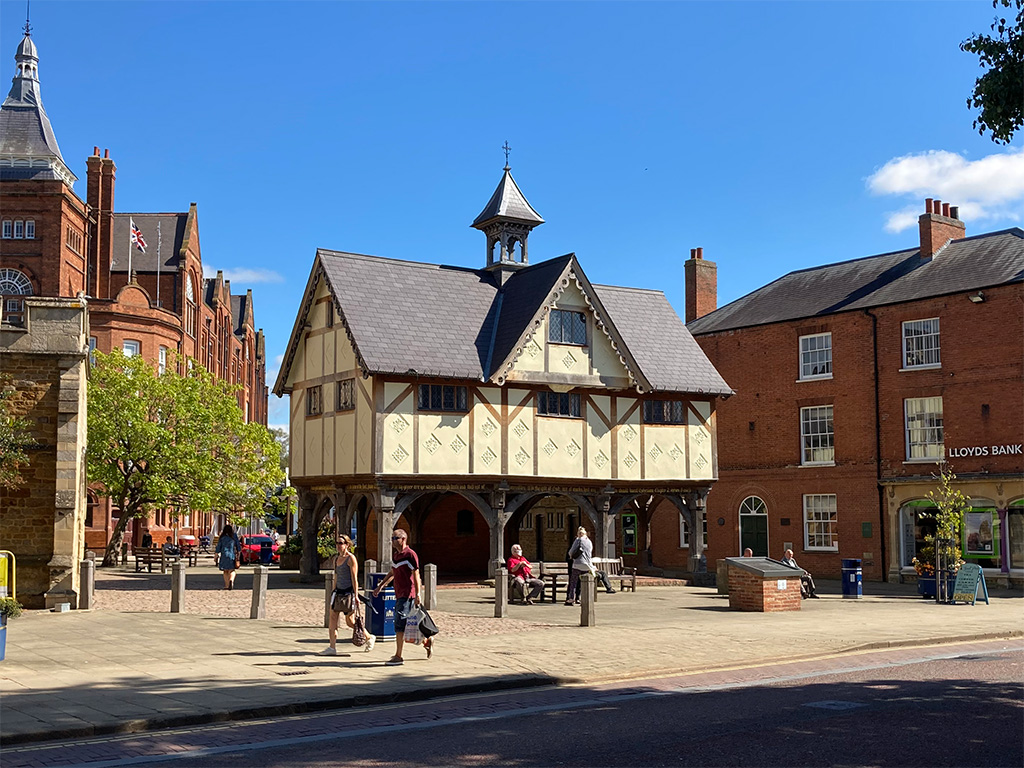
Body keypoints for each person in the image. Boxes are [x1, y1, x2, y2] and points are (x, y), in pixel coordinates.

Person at [372, 529, 432, 665]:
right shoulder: (396, 555)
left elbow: (416, 575)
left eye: (395, 538)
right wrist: (381, 585)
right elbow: (393, 571)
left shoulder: (410, 555)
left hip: (407, 593)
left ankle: (398, 656)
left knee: (399, 623)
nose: (392, 541)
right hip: (398, 592)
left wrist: (418, 593)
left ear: (403, 539)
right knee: (407, 623)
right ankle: (426, 641)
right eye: (392, 538)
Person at [321, 535, 375, 655]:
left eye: (341, 543)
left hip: (348, 593)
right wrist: (333, 591)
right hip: (338, 593)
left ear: (347, 545)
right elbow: (336, 576)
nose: (338, 545)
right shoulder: (336, 559)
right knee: (333, 618)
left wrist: (356, 595)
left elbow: (354, 579)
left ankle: (369, 637)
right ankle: (332, 647)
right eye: (337, 543)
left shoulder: (351, 559)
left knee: (350, 621)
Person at [565, 528, 616, 605]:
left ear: (579, 534)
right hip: (587, 565)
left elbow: (571, 552)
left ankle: (571, 599)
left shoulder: (578, 540)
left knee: (573, 582)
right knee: (585, 581)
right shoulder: (589, 542)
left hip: (578, 564)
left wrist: (571, 556)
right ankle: (584, 599)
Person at [216, 524, 242, 590]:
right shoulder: (234, 536)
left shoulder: (222, 537)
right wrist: (238, 553)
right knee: (232, 570)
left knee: (225, 571)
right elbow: (238, 546)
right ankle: (231, 580)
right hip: (232, 555)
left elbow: (218, 546)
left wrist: (216, 554)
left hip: (224, 555)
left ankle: (226, 585)